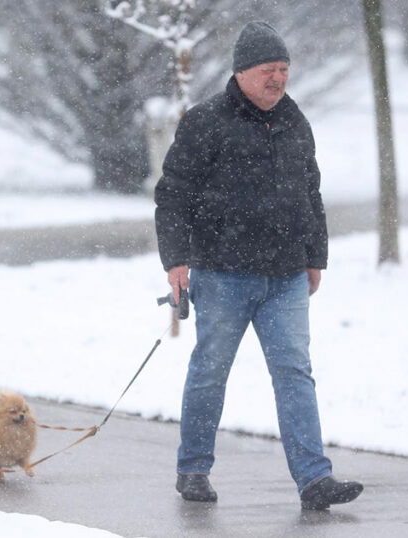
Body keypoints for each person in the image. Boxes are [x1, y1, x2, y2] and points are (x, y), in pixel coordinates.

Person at [154, 21, 363, 510]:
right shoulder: (205, 121)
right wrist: (177, 260)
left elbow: (310, 193)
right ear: (243, 72)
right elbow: (174, 194)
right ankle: (194, 469)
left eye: (284, 69)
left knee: (295, 374)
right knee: (210, 371)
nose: (278, 79)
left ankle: (315, 480)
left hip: (287, 277)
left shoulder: (295, 121)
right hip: (223, 274)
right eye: (269, 69)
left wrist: (315, 257)